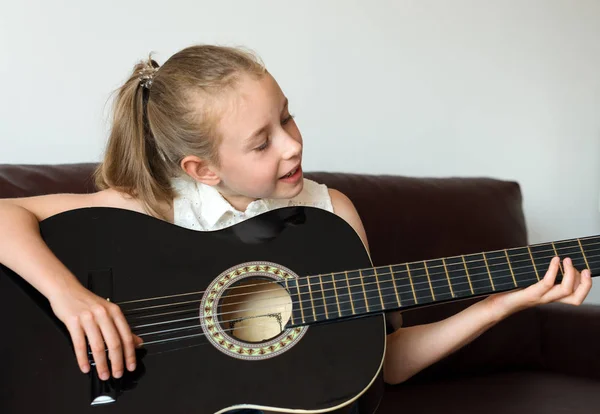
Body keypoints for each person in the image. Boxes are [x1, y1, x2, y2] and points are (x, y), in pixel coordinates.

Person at [0, 44, 592, 398]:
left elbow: (386, 367)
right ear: (201, 169)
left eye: (288, 118)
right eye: (261, 143)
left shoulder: (330, 215)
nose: (291, 146)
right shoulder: (155, 209)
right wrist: (71, 297)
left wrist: (506, 301)